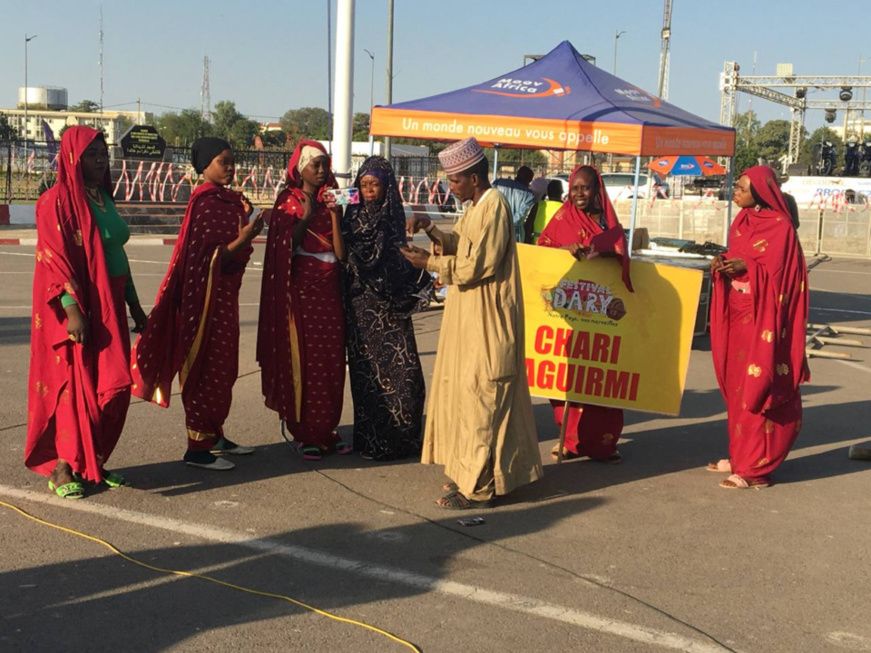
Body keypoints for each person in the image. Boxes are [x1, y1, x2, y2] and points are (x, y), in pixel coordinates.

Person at [401, 137, 542, 509]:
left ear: (475, 178)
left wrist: (428, 264)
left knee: (484, 400)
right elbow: (459, 243)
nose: (451, 188)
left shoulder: (493, 206)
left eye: (455, 181)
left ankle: (479, 488)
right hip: (469, 318)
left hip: (489, 320)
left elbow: (478, 264)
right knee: (467, 399)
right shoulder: (475, 206)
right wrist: (431, 232)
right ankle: (470, 475)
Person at [25, 126, 147, 498]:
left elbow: (117, 256)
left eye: (103, 153)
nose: (99, 160)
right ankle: (63, 467)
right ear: (72, 158)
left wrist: (136, 307)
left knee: (112, 387)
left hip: (110, 302)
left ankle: (93, 460)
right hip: (76, 306)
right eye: (91, 154)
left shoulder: (103, 199)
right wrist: (72, 309)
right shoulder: (55, 201)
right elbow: (53, 259)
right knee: (74, 385)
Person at [131, 137, 263, 471]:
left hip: (225, 298)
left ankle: (214, 434)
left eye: (232, 161)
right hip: (203, 301)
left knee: (225, 368)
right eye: (222, 161)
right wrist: (245, 237)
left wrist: (245, 227)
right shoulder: (205, 201)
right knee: (206, 367)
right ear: (204, 165)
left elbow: (231, 257)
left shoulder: (232, 201)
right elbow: (207, 258)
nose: (230, 167)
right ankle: (197, 447)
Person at [708, 165, 809, 489]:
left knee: (759, 387)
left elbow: (779, 278)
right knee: (737, 389)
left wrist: (747, 267)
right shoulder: (741, 222)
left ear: (761, 192)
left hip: (764, 320)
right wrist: (723, 263)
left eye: (741, 187)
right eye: (735, 186)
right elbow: (741, 258)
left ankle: (755, 469)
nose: (735, 191)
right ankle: (740, 456)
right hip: (738, 316)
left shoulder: (780, 228)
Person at [258, 140, 350, 461]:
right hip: (301, 293)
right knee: (305, 361)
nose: (323, 170)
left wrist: (336, 213)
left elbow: (342, 253)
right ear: (301, 169)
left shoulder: (333, 198)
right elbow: (282, 245)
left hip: (329, 292)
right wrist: (307, 217)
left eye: (325, 164)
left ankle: (327, 429)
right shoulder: (289, 200)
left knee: (331, 361)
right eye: (317, 165)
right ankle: (305, 432)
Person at [537, 165, 633, 464]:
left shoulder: (608, 221)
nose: (579, 194)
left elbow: (622, 256)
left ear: (596, 190)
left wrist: (605, 253)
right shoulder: (562, 217)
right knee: (567, 377)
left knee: (600, 378)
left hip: (601, 310)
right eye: (574, 188)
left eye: (585, 188)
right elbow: (541, 250)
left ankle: (602, 443)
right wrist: (564, 249)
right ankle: (569, 440)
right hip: (567, 309)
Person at [342, 156, 432, 460]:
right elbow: (344, 252)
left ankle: (403, 439)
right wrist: (334, 204)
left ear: (386, 186)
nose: (369, 190)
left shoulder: (393, 215)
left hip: (391, 308)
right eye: (364, 184)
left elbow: (399, 258)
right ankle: (372, 440)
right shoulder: (350, 216)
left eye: (375, 184)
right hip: (361, 307)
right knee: (367, 376)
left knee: (405, 375)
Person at [492, 165, 537, 242]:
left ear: (517, 174)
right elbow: (520, 216)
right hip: (514, 235)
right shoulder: (529, 195)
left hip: (495, 229)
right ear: (529, 180)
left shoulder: (499, 183)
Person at [528, 179, 564, 243]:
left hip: (537, 246)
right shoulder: (565, 208)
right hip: (557, 247)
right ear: (562, 192)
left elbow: (528, 227)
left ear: (547, 192)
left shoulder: (538, 206)